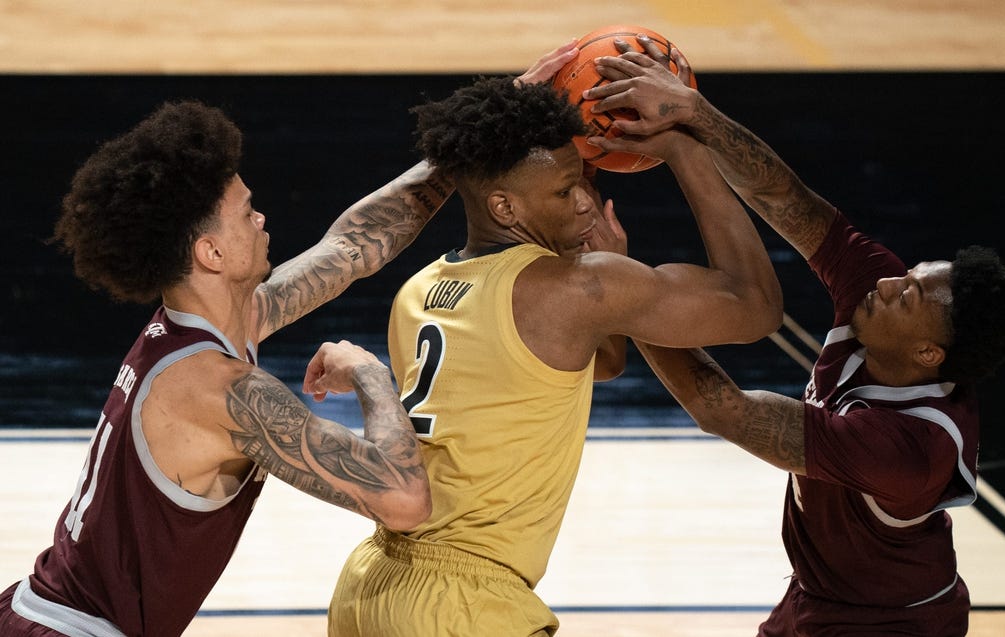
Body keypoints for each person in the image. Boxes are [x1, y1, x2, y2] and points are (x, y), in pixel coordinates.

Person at [325, 49, 785, 636]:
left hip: (374, 584)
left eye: (584, 182)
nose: (586, 202)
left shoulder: (419, 291)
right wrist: (683, 147)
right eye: (566, 190)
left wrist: (602, 266)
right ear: (505, 206)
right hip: (467, 605)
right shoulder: (575, 289)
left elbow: (596, 366)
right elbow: (755, 305)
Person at [585, 40, 1005, 636]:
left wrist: (626, 293)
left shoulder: (910, 450)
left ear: (928, 354)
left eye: (911, 295)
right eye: (909, 276)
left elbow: (725, 411)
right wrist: (692, 114)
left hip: (888, 626)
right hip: (816, 595)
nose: (891, 281)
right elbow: (784, 199)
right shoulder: (881, 300)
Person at [0, 100, 453, 636]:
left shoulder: (205, 327)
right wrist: (369, 371)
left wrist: (463, 149)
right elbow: (403, 500)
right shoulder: (220, 392)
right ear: (211, 252)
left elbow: (353, 247)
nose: (261, 217)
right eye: (246, 211)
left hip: (43, 613)